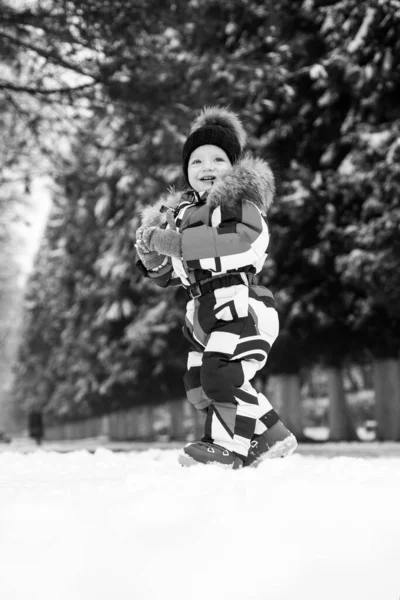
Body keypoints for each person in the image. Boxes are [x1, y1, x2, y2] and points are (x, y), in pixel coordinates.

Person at [136, 106, 297, 468]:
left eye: (218, 159)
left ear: (234, 166)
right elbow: (173, 273)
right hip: (204, 313)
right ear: (186, 172)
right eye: (196, 162)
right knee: (198, 382)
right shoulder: (181, 216)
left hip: (239, 306)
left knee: (220, 373)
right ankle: (270, 434)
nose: (207, 168)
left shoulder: (240, 205)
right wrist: (152, 254)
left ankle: (226, 447)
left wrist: (176, 244)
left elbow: (236, 242)